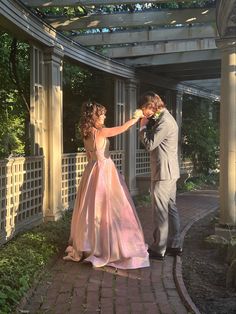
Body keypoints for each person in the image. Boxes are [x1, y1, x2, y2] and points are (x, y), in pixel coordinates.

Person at [63, 101, 149, 269]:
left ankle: (89, 243)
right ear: (94, 116)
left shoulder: (86, 133)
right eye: (101, 114)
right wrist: (136, 118)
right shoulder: (101, 132)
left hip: (91, 170)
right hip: (104, 169)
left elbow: (89, 155)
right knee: (110, 207)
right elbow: (122, 128)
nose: (104, 116)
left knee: (91, 208)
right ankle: (107, 245)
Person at [139, 91, 182, 260]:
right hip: (170, 171)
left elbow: (150, 144)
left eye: (145, 109)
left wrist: (142, 126)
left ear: (152, 106)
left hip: (164, 173)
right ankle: (174, 245)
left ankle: (159, 249)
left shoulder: (164, 121)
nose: (144, 113)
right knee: (171, 209)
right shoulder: (166, 117)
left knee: (161, 210)